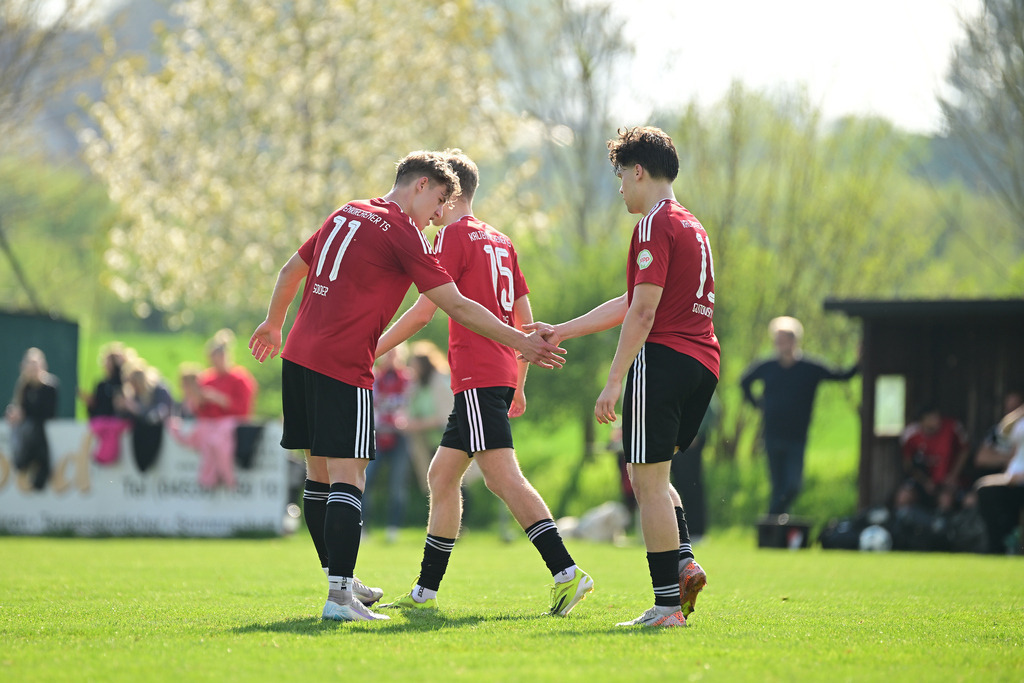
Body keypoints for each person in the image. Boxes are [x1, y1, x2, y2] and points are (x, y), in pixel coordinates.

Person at [248, 150, 565, 623]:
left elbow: (290, 271)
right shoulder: (403, 233)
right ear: (420, 185)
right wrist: (520, 340)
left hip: (297, 356)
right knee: (349, 478)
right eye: (438, 200)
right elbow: (454, 306)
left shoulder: (346, 211)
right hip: (343, 364)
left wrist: (274, 324)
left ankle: (342, 580)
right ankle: (338, 598)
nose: (439, 214)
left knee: (318, 478)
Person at [372, 150, 593, 616]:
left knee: (501, 477)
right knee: (442, 474)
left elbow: (426, 308)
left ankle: (566, 572)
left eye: (438, 198)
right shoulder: (502, 240)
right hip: (493, 376)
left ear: (449, 194)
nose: (433, 212)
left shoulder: (453, 236)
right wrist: (519, 381)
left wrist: (372, 346)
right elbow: (525, 319)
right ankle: (425, 592)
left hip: (475, 375)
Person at [527, 126, 718, 628]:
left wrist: (615, 380)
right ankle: (684, 563)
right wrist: (563, 330)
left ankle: (666, 607)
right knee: (654, 477)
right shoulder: (692, 224)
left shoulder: (653, 225)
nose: (618, 189)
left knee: (646, 485)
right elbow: (631, 299)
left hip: (666, 358)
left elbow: (644, 313)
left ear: (638, 171)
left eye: (619, 177)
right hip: (704, 362)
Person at [739, 316, 859, 515]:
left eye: (782, 340)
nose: (778, 345)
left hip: (797, 437)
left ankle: (771, 519)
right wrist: (758, 405)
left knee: (793, 485)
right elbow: (744, 381)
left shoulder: (810, 368)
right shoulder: (767, 366)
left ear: (795, 341)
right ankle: (775, 528)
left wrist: (859, 362)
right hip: (771, 434)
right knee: (777, 485)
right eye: (776, 340)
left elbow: (841, 375)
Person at [170, 330, 256, 490]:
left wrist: (220, 400)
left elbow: (244, 410)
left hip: (231, 422)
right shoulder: (206, 378)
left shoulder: (241, 378)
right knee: (203, 436)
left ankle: (226, 477)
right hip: (209, 423)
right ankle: (208, 479)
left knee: (218, 439)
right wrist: (199, 400)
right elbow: (200, 410)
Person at [363, 346, 414, 541]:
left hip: (399, 436)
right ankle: (364, 527)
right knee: (366, 481)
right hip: (376, 434)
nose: (391, 358)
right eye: (388, 354)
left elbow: (410, 405)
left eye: (395, 354)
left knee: (398, 484)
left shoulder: (408, 379)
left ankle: (393, 529)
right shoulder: (374, 376)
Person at [5, 348, 59, 490]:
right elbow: (19, 406)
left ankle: (35, 464)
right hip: (27, 432)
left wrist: (25, 414)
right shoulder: (24, 387)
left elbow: (48, 412)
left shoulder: (49, 387)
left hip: (39, 430)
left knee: (33, 428)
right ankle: (22, 460)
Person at [403, 341, 454, 493]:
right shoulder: (417, 387)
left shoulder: (440, 382)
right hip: (429, 444)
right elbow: (410, 410)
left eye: (415, 366)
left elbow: (446, 417)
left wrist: (417, 425)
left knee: (452, 483)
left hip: (447, 442)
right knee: (437, 485)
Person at [973, 403, 1024, 554]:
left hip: (1019, 481)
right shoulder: (1019, 422)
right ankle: (997, 548)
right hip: (1012, 480)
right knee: (984, 489)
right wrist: (1019, 413)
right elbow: (1003, 431)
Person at [899, 404, 971, 505]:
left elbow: (965, 450)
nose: (937, 421)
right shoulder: (910, 434)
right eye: (931, 418)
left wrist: (953, 475)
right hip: (922, 480)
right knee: (903, 497)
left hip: (947, 480)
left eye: (937, 417)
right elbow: (908, 465)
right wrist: (924, 481)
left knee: (946, 500)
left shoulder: (952, 427)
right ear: (922, 421)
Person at [670, 392, 719, 541]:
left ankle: (696, 530)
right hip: (672, 438)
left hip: (691, 441)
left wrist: (694, 432)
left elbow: (711, 409)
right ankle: (678, 530)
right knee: (675, 486)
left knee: (691, 485)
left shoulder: (695, 372)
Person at [79, 343, 132, 465]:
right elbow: (96, 410)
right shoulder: (101, 384)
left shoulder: (125, 383)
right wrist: (90, 403)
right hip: (103, 423)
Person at [119, 359, 174, 473]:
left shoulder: (160, 391)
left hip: (157, 436)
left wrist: (137, 409)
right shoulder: (133, 396)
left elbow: (157, 415)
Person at [973, 389, 1024, 478]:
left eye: (1015, 409)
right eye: (1009, 409)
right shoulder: (998, 430)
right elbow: (981, 458)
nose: (1012, 414)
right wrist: (1006, 459)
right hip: (997, 477)